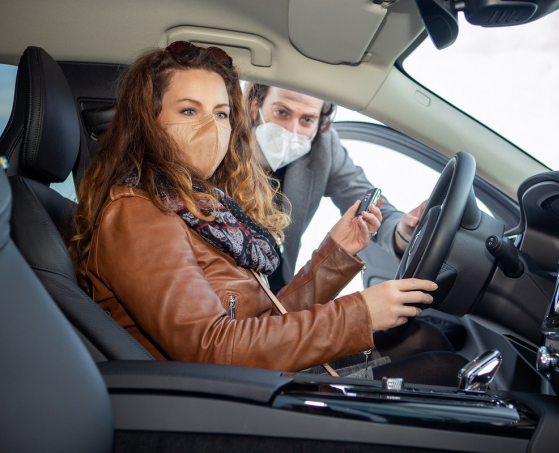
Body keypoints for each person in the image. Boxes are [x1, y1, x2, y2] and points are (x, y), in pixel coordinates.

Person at [69, 42, 466, 384]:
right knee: (441, 366)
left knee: (429, 341)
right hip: (232, 395)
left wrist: (337, 253)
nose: (211, 127)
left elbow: (264, 316)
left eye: (220, 113)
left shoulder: (199, 202)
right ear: (148, 120)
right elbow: (214, 348)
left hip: (253, 372)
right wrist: (360, 313)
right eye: (189, 111)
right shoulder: (139, 213)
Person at [244, 83, 426, 293]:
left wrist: (401, 231)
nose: (292, 131)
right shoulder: (223, 143)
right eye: (282, 112)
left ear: (319, 121)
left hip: (275, 284)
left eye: (307, 120)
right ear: (255, 106)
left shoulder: (324, 146)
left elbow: (363, 198)